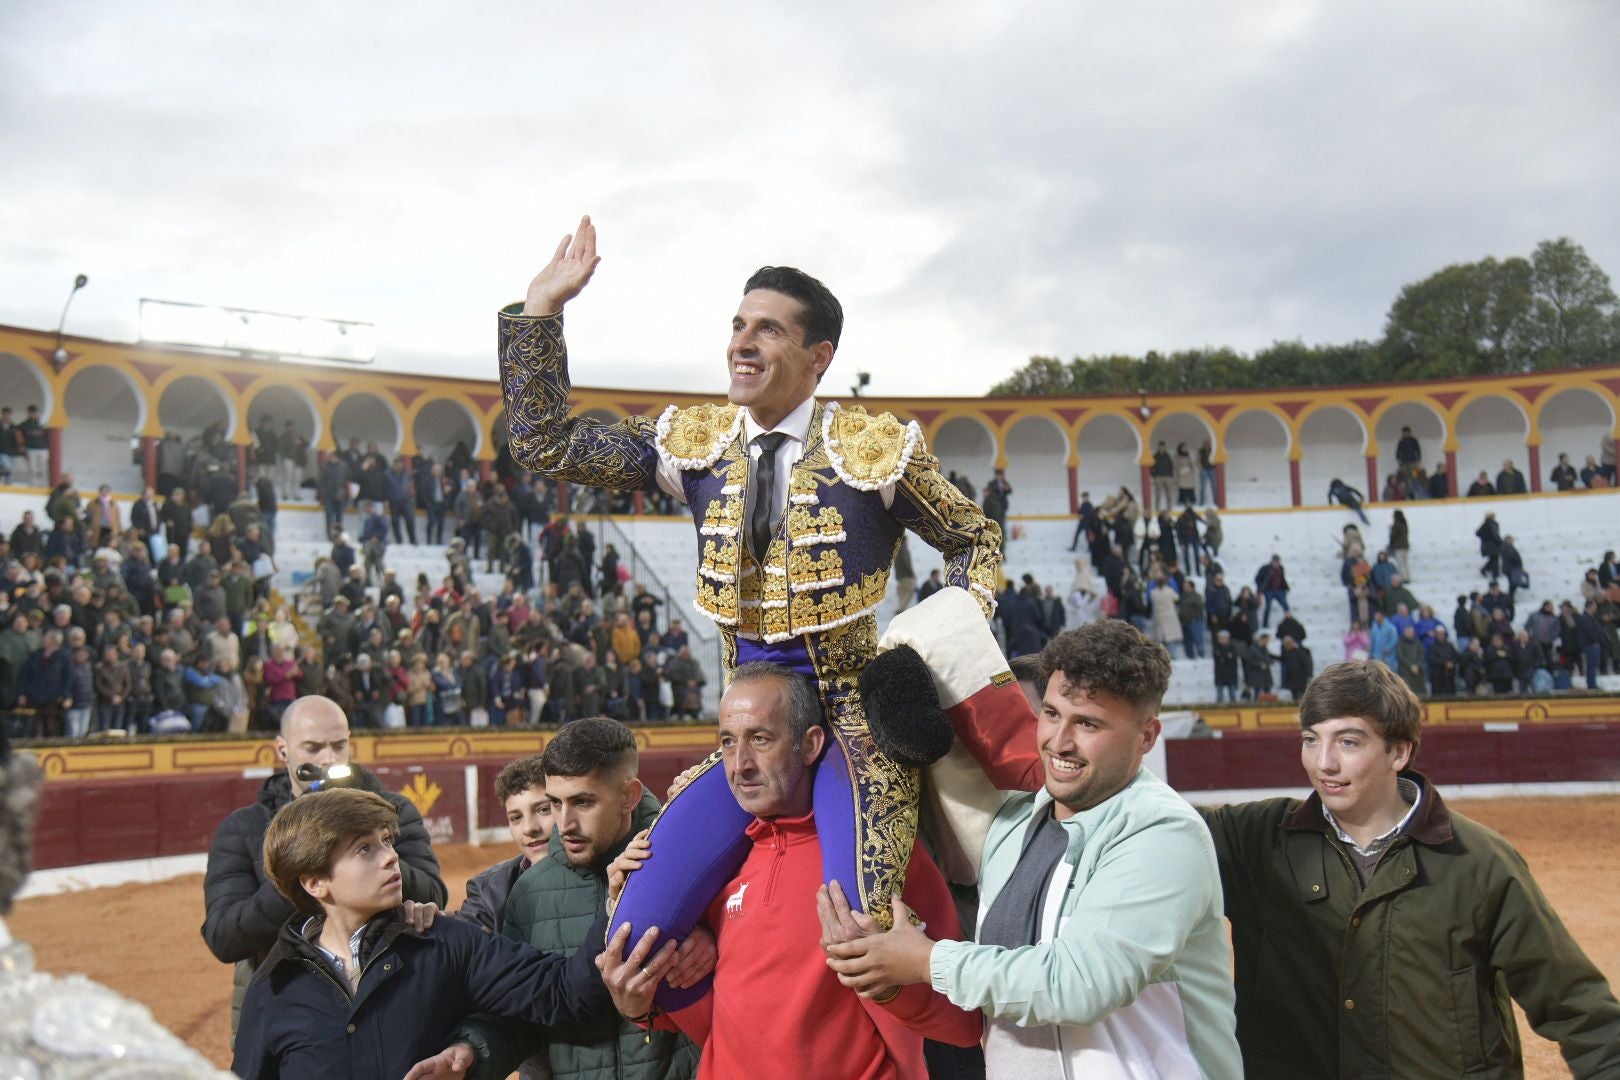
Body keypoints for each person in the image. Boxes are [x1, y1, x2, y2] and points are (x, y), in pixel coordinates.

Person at [497, 215, 1001, 926]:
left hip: (853, 717)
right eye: (738, 324)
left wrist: (925, 650)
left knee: (863, 918)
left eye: (767, 329)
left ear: (818, 356)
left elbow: (973, 540)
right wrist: (542, 312)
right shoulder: (695, 444)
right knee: (636, 925)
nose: (741, 341)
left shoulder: (876, 450)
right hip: (744, 728)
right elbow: (544, 445)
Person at [821, 622, 1242, 1078]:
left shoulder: (1163, 834)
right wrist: (883, 963)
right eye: (1052, 714)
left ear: (1147, 736)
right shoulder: (1012, 824)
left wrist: (927, 959)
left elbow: (1078, 986)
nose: (1059, 742)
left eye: (1088, 723)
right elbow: (983, 1003)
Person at [1198, 660, 1620, 1077]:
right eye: (1311, 739)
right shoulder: (1254, 839)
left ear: (1399, 751)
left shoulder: (1478, 861)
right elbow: (1151, 826)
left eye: (1348, 742)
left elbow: (1578, 1007)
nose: (1323, 763)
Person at [595, 662, 982, 1079]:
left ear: (811, 744)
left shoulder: (878, 860)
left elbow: (962, 1024)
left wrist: (888, 982)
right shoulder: (711, 871)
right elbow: (719, 1027)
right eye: (728, 742)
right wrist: (637, 1005)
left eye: (760, 739)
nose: (739, 764)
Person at [233, 787, 628, 1080]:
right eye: (364, 849)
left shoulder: (445, 942)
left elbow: (565, 993)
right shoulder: (273, 987)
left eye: (387, 841)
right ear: (316, 883)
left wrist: (616, 904)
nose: (391, 857)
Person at [441, 719, 701, 1079]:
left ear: (629, 796)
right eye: (555, 803)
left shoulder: (693, 863)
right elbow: (524, 1018)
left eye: (583, 802)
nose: (565, 823)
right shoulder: (529, 893)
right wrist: (472, 1050)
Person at [201, 695, 448, 1035]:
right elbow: (224, 937)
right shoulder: (243, 828)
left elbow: (433, 893)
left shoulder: (393, 811)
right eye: (313, 748)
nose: (328, 758)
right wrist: (302, 865)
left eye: (338, 745)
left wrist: (366, 843)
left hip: (385, 1005)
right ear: (283, 749)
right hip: (282, 1016)